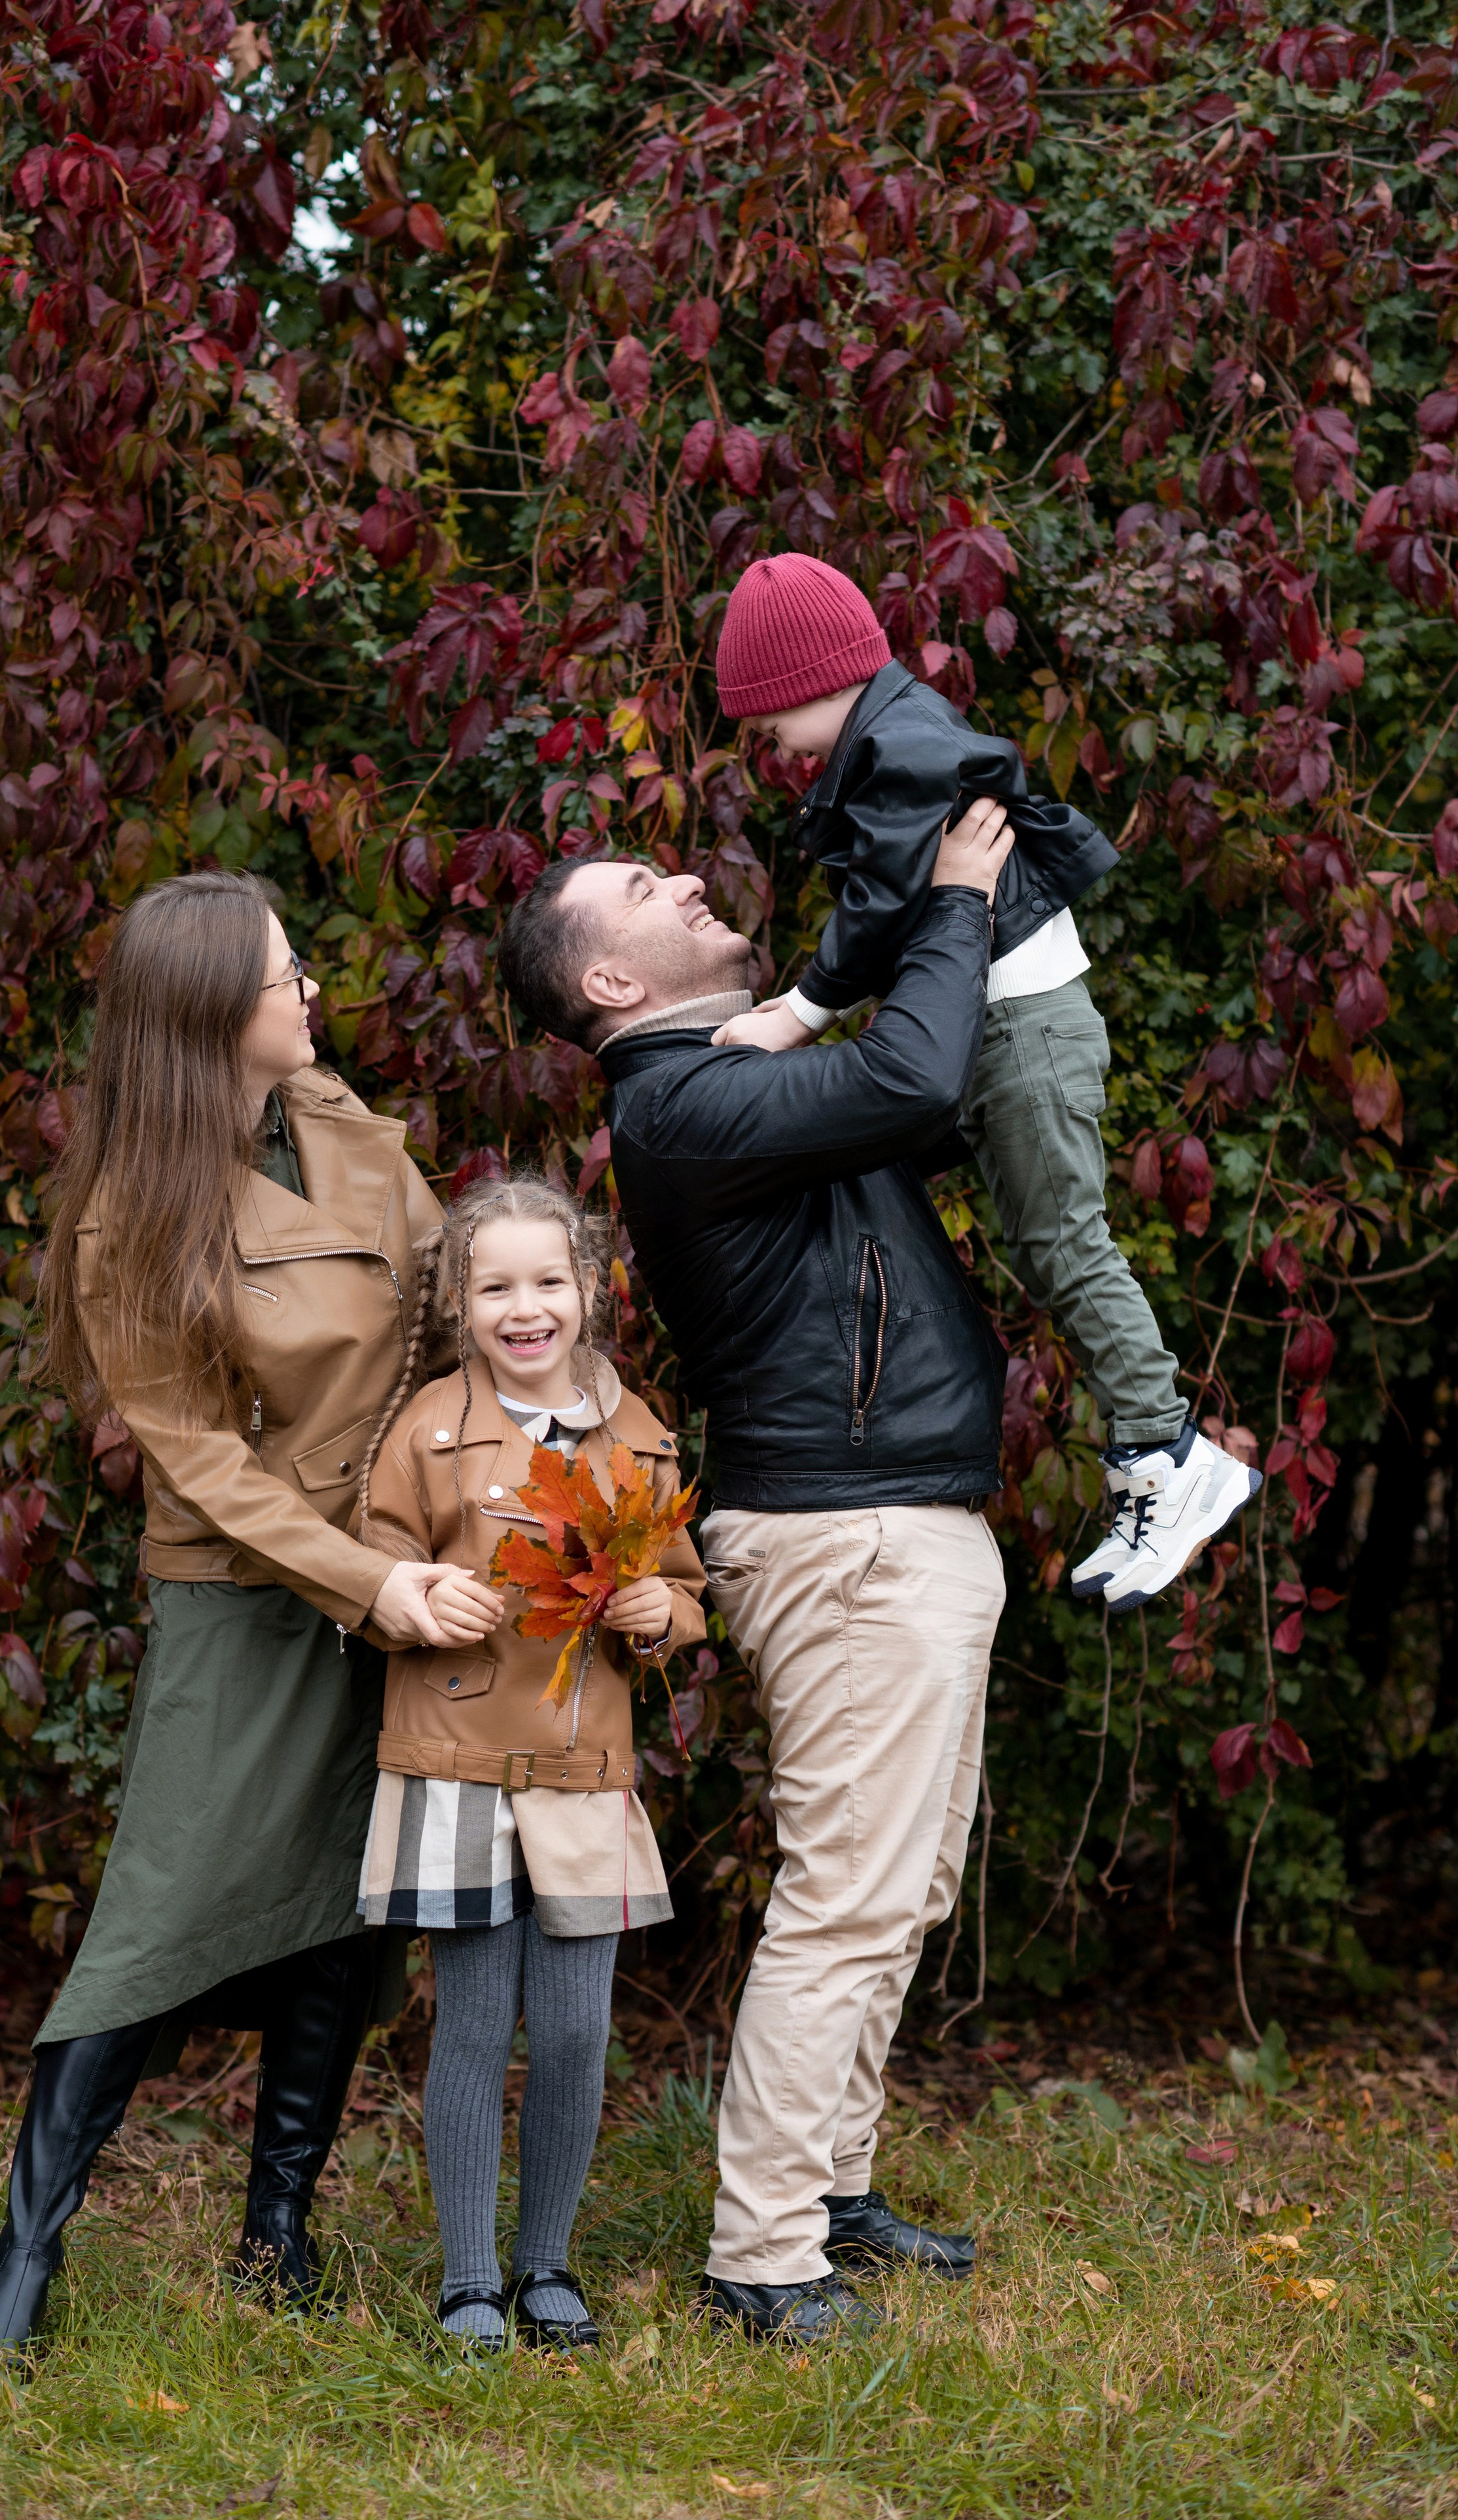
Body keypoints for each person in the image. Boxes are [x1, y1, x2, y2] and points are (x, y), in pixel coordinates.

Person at [0, 869, 500, 2357]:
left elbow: (446, 1292)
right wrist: (370, 1580)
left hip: (397, 1572)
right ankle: (23, 2259)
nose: (310, 991)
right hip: (250, 1599)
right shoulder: (134, 1207)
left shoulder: (338, 1124)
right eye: (283, 976)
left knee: (345, 1911)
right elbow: (197, 1467)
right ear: (210, 1012)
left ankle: (278, 2234)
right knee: (160, 1914)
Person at [496, 802, 1011, 2343]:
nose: (680, 877)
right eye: (640, 888)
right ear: (609, 987)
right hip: (846, 1534)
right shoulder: (672, 1105)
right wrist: (958, 899)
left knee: (900, 1887)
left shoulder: (743, 1079)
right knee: (849, 1898)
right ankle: (763, 2255)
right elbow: (916, 1066)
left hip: (899, 1518)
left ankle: (832, 2189)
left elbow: (937, 1103)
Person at [710, 551, 1260, 1606]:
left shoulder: (908, 749)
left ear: (803, 682)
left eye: (766, 719)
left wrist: (802, 1011)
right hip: (993, 1032)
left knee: (1064, 1244)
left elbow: (878, 907)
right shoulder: (892, 739)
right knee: (922, 1195)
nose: (767, 744)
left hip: (1022, 1033)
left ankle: (1167, 1457)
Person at [353, 1176, 705, 2353]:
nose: (524, 1307)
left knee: (571, 2032)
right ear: (459, 1298)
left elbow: (689, 1593)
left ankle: (547, 2265)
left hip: (584, 1769)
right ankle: (467, 2278)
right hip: (455, 1755)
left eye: (548, 1281)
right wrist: (410, 1603)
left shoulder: (639, 1432)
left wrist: (662, 1611)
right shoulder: (428, 1430)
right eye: (494, 1284)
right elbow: (370, 1571)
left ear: (589, 1291)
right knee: (471, 2024)